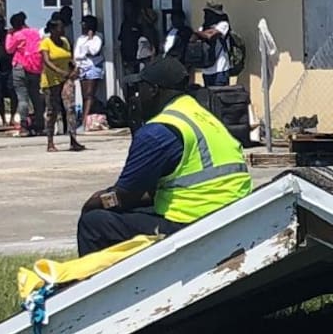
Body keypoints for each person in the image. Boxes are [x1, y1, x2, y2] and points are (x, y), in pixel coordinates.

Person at [77, 57, 252, 255]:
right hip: (233, 214)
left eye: (140, 88)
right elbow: (153, 191)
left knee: (94, 223)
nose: (137, 95)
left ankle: (106, 276)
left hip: (193, 221)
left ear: (153, 90)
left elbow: (125, 196)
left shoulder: (159, 130)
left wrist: (95, 202)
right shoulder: (202, 116)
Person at [39, 16, 85, 153]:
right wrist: (60, 72)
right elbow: (46, 61)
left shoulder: (65, 41)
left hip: (66, 79)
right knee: (52, 111)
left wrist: (74, 68)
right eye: (60, 28)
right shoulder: (46, 43)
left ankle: (73, 140)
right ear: (53, 30)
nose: (63, 30)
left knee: (70, 108)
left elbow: (69, 58)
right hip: (51, 81)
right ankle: (50, 142)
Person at [6, 12, 45, 134]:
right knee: (36, 96)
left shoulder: (17, 35)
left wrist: (9, 35)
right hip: (35, 68)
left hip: (20, 66)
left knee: (22, 98)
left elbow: (9, 49)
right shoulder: (36, 32)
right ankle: (40, 124)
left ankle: (24, 126)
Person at [74, 15, 105, 119]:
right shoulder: (80, 39)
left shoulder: (98, 37)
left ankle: (85, 118)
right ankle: (88, 116)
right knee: (84, 95)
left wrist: (90, 39)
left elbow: (94, 51)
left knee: (89, 94)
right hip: (82, 68)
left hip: (93, 67)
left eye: (84, 23)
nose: (83, 26)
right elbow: (77, 54)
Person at [198, 1, 231, 87]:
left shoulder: (223, 25)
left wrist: (199, 34)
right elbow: (194, 38)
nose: (206, 16)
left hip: (220, 69)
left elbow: (211, 36)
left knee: (221, 94)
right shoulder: (202, 27)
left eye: (209, 13)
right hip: (206, 70)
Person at [0, 14, 18, 128]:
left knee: (13, 92)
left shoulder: (9, 34)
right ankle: (3, 119)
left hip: (10, 67)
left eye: (0, 23)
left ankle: (12, 117)